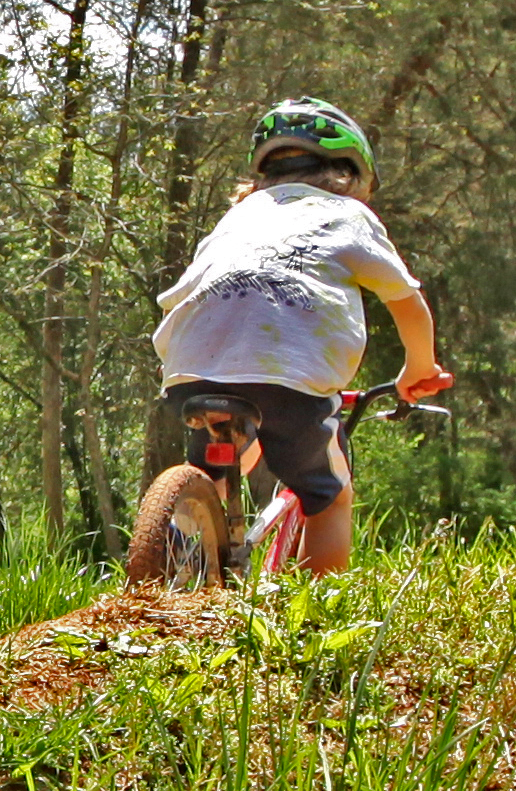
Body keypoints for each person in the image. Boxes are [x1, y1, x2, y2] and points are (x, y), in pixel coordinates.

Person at [148, 96, 449, 577]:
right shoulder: (348, 215)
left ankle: (187, 547)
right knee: (328, 496)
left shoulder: (238, 219)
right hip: (288, 377)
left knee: (217, 466)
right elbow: (404, 299)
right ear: (350, 175)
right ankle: (317, 612)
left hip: (190, 368)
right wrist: (419, 367)